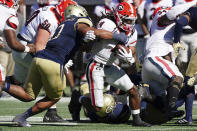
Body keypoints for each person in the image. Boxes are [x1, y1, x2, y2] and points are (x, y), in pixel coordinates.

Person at [0, 4, 132, 127]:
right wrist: (118, 37)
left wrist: (85, 43)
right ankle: (23, 117)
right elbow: (93, 32)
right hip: (53, 61)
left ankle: (2, 85)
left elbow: (79, 43)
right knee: (54, 97)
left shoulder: (63, 23)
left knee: (28, 94)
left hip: (39, 58)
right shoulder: (80, 22)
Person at [85, 2, 151, 127]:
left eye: (132, 21)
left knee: (133, 90)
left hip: (110, 66)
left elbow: (132, 48)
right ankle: (82, 100)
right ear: (119, 17)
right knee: (98, 108)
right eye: (127, 20)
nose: (130, 24)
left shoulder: (132, 32)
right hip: (96, 65)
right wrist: (118, 37)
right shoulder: (108, 23)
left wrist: (128, 55)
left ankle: (137, 119)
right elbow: (98, 33)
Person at [12, 0, 77, 123]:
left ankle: (3, 83)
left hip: (22, 48)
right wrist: (58, 61)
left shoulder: (51, 10)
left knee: (17, 84)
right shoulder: (51, 20)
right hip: (27, 50)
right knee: (53, 81)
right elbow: (40, 46)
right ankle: (51, 113)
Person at [142, 1, 197, 121]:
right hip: (155, 59)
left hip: (153, 65)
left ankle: (145, 98)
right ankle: (170, 110)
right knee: (178, 78)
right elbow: (170, 15)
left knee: (176, 92)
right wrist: (192, 3)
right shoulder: (162, 17)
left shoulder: (163, 35)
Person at [172, 5, 197, 125]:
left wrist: (176, 41)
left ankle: (183, 114)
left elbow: (180, 22)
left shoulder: (192, 11)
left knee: (189, 80)